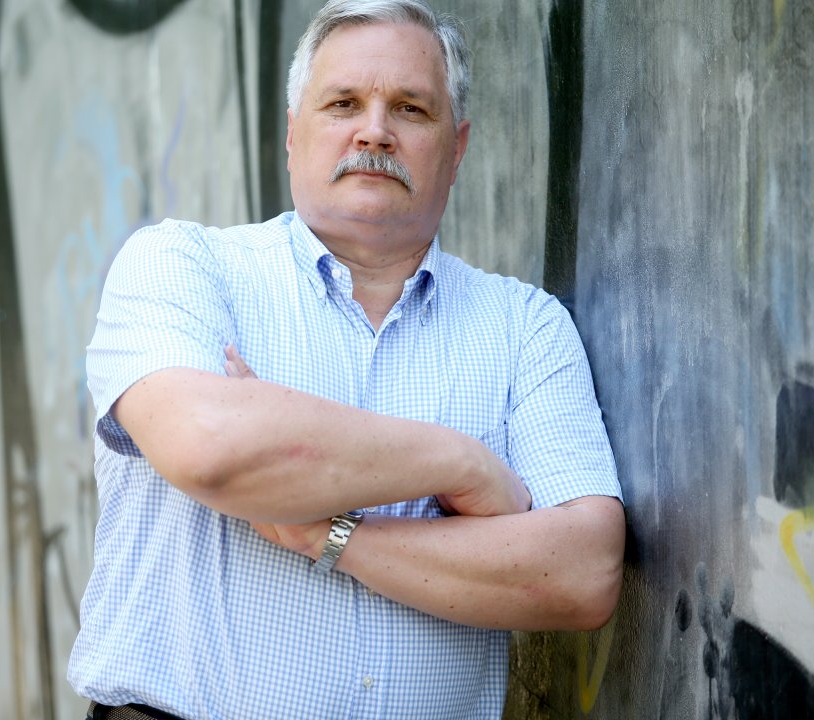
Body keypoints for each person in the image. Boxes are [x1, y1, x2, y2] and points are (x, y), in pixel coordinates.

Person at [69, 0, 625, 718]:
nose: (374, 130)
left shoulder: (527, 328)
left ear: (457, 148)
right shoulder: (180, 266)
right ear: (292, 133)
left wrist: (329, 532)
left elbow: (582, 574)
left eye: (410, 109)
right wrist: (459, 463)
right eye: (343, 104)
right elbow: (209, 446)